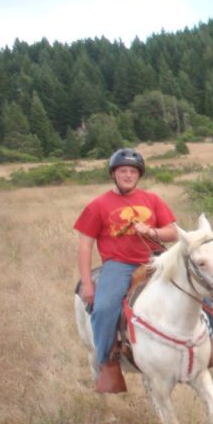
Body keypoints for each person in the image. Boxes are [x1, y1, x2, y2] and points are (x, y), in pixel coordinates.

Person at [74, 148, 179, 393]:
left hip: (154, 261)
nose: (128, 175)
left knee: (197, 289)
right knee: (104, 308)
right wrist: (88, 284)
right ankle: (107, 364)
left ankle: (208, 346)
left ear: (138, 175)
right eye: (123, 171)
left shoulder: (152, 199)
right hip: (118, 265)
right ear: (114, 174)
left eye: (133, 171)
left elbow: (173, 232)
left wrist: (151, 232)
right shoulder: (98, 205)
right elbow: (85, 245)